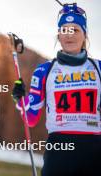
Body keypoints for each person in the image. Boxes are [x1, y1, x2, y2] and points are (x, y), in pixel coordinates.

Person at [12, 3, 101, 176]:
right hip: (59, 149)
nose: (69, 35)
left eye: (75, 29)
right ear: (58, 35)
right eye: (64, 30)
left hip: (94, 150)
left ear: (85, 35)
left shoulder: (98, 68)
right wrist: (20, 99)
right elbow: (30, 119)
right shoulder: (44, 71)